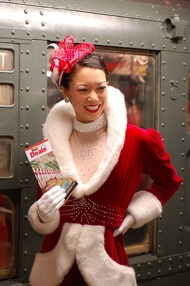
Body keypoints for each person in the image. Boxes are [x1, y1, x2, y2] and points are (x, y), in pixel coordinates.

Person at [28, 35, 182, 286]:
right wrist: (43, 215)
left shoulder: (136, 140)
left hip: (108, 266)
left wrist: (133, 215)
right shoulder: (47, 151)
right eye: (83, 89)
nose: (94, 98)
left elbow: (169, 183)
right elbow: (44, 210)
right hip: (56, 270)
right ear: (65, 91)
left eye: (101, 88)